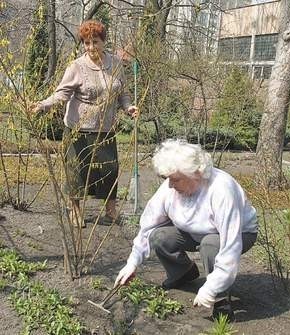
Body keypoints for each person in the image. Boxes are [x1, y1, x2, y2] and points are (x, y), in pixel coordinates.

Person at [114, 139, 258, 320]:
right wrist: (132, 263)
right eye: (168, 179)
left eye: (175, 180)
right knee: (159, 236)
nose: (170, 185)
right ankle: (183, 272)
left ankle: (221, 300)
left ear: (196, 173)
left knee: (211, 243)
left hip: (238, 234)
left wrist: (211, 287)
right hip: (194, 232)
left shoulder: (221, 189)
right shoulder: (171, 187)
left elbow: (230, 246)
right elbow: (148, 225)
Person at [32, 20, 137, 227]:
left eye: (95, 42)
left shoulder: (115, 64)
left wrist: (128, 107)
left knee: (110, 170)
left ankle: (110, 211)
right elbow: (62, 94)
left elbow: (122, 93)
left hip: (106, 129)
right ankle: (76, 211)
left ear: (103, 41)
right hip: (78, 129)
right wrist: (42, 105)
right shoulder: (77, 67)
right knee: (77, 171)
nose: (91, 47)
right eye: (86, 43)